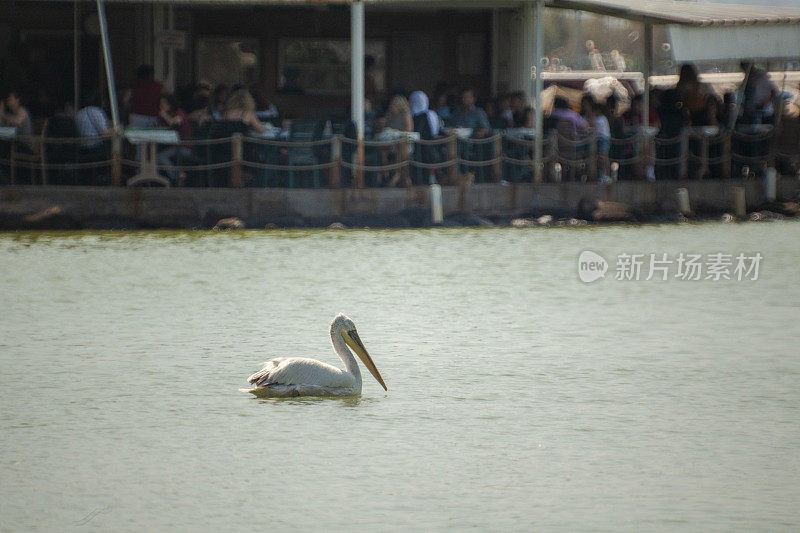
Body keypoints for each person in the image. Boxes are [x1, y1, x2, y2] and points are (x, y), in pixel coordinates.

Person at [157, 93, 194, 185]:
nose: (162, 106)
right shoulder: (168, 115)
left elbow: (175, 123)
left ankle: (178, 176)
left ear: (170, 104)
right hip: (172, 145)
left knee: (160, 157)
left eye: (164, 103)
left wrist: (165, 116)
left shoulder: (179, 113)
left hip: (184, 147)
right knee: (156, 155)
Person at [590, 99, 611, 182]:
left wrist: (592, 116)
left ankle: (606, 174)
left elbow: (593, 126)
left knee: (603, 157)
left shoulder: (601, 119)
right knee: (600, 158)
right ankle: (601, 174)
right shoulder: (600, 119)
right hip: (599, 139)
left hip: (603, 139)